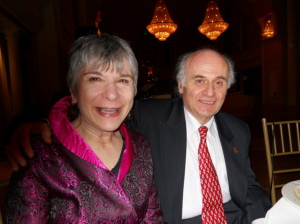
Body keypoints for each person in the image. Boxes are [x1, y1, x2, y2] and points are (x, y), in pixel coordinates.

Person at [7, 48, 272, 223]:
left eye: (219, 82)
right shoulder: (148, 117)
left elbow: (249, 186)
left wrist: (264, 218)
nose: (210, 92)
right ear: (180, 85)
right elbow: (98, 109)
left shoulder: (238, 129)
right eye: (199, 80)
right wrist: (44, 123)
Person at [4, 34, 164, 223]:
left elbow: (152, 218)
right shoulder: (39, 157)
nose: (112, 95)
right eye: (95, 79)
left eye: (123, 80)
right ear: (74, 91)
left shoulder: (140, 144)